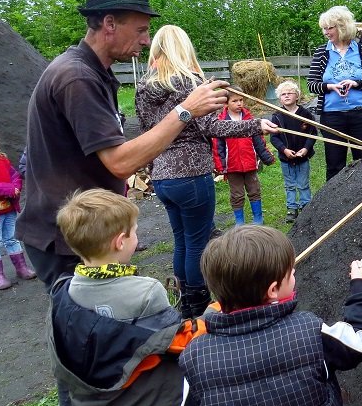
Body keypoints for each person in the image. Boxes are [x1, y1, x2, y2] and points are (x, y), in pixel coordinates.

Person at [16, 0, 228, 406]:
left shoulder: (91, 71)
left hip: (81, 227)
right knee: (82, 348)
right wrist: (186, 111)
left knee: (96, 339)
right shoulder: (76, 78)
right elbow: (119, 157)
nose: (142, 39)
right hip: (67, 237)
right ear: (107, 24)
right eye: (137, 28)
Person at [179, 226, 362, 406]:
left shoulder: (195, 358)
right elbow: (359, 339)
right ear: (273, 289)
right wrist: (359, 285)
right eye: (291, 274)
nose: (295, 275)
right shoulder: (309, 333)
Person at [135, 25, 279, 319]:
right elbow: (213, 127)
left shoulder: (144, 88)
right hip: (191, 174)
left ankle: (184, 300)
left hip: (162, 176)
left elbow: (149, 130)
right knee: (197, 242)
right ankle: (198, 306)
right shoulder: (191, 84)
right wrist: (255, 125)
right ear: (185, 48)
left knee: (182, 239)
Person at [51, 189, 191, 406]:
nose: (136, 237)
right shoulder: (146, 292)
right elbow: (174, 340)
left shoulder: (67, 292)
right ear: (120, 241)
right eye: (135, 232)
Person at [307, 6, 362, 181]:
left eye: (329, 28)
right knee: (334, 164)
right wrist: (330, 87)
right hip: (331, 116)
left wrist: (355, 83)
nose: (326, 32)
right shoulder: (321, 52)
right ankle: (333, 205)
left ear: (342, 27)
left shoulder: (361, 51)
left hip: (359, 115)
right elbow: (311, 85)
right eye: (324, 28)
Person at [0, 123, 36, 289]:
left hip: (9, 208)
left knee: (12, 238)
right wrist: (8, 189)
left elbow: (15, 175)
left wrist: (16, 186)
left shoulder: (1, 159)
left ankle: (21, 268)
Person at [214, 93, 276, 226]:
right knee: (237, 194)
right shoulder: (220, 122)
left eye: (241, 100)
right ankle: (239, 222)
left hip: (250, 164)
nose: (239, 103)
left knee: (254, 191)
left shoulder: (249, 119)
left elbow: (259, 141)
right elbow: (217, 147)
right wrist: (220, 166)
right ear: (226, 104)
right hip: (232, 166)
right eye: (234, 101)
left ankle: (258, 218)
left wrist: (266, 157)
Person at [269, 80, 317, 224]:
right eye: (283, 94)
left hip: (303, 156)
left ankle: (305, 205)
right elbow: (274, 138)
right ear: (280, 98)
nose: (287, 96)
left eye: (290, 93)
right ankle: (291, 207)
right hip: (286, 158)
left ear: (297, 96)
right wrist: (284, 150)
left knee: (303, 183)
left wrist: (306, 148)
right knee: (290, 184)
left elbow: (312, 133)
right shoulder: (277, 116)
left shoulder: (305, 114)